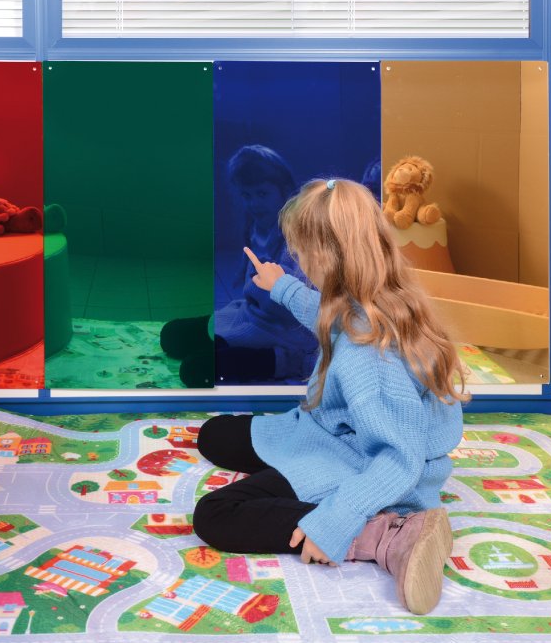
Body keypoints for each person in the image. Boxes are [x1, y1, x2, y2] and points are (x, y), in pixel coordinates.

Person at [192, 177, 469, 615]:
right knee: (215, 435)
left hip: (366, 462)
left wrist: (339, 519)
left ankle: (387, 534)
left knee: (216, 514)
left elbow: (400, 459)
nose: (298, 261)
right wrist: (280, 284)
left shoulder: (368, 359)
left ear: (323, 257)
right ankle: (304, 476)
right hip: (341, 433)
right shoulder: (374, 298)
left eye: (299, 253)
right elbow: (326, 316)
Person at [161, 144, 317, 386]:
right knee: (172, 336)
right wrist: (243, 275)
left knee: (194, 370)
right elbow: (251, 257)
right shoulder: (257, 224)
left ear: (285, 190)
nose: (254, 204)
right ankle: (230, 340)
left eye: (262, 194)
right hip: (249, 313)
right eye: (247, 195)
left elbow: (302, 305)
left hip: (284, 332)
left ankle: (282, 361)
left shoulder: (298, 239)